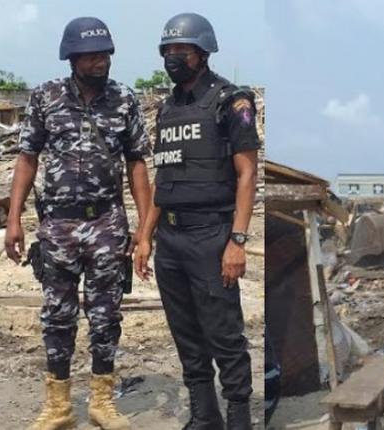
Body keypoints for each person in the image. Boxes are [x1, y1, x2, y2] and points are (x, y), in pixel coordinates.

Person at [4, 16, 151, 430]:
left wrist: (144, 229)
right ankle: (58, 407)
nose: (100, 61)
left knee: (106, 316)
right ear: (72, 57)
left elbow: (137, 163)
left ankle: (102, 402)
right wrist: (15, 220)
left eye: (104, 53)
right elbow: (27, 158)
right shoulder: (45, 97)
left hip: (107, 224)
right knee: (57, 315)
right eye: (90, 55)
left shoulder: (125, 99)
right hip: (57, 228)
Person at [134, 12, 260, 429]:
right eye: (167, 51)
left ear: (202, 53)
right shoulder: (168, 108)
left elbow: (247, 174)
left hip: (211, 234)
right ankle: (205, 416)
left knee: (224, 335)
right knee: (186, 335)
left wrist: (237, 241)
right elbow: (163, 178)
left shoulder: (231, 101)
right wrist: (146, 237)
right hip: (170, 237)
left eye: (181, 51)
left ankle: (239, 416)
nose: (173, 58)